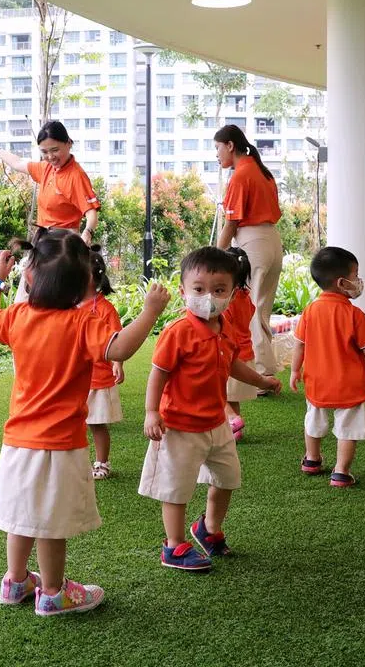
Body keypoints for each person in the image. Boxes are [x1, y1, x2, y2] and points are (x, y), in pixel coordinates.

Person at [0, 230, 169, 615]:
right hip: (60, 444)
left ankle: (15, 582)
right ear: (86, 282)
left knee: (21, 515)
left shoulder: (17, 317)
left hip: (17, 440)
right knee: (51, 522)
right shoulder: (83, 324)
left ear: (29, 278)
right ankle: (52, 593)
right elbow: (121, 347)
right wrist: (150, 311)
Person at [139, 247, 282, 572]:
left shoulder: (226, 329)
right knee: (175, 489)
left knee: (228, 478)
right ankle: (173, 546)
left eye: (219, 290)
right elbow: (158, 373)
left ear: (232, 293)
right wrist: (151, 412)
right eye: (199, 289)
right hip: (178, 426)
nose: (209, 297)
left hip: (216, 423)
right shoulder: (178, 332)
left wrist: (261, 379)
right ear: (183, 290)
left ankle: (208, 528)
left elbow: (233, 365)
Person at [289, 246, 365, 487]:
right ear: (342, 283)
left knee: (313, 419)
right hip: (348, 385)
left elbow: (299, 345)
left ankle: (312, 459)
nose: (359, 281)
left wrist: (294, 370)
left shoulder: (310, 311)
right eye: (356, 276)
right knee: (348, 428)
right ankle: (341, 472)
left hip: (317, 382)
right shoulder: (355, 315)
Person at [214, 124, 283, 381]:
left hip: (252, 242)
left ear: (230, 145)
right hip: (272, 242)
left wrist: (213, 258)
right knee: (260, 310)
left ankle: (260, 375)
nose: (217, 154)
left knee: (249, 311)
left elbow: (231, 224)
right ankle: (264, 371)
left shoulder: (241, 175)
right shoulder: (262, 172)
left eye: (218, 148)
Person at [0, 120, 100, 246]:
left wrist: (87, 232)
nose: (50, 157)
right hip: (43, 243)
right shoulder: (46, 168)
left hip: (64, 247)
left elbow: (91, 213)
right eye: (44, 152)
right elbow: (17, 163)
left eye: (55, 150)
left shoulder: (76, 176)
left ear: (68, 143)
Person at [83, 246, 125, 480]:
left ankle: (102, 462)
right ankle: (77, 461)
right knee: (76, 423)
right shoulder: (71, 305)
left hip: (99, 379)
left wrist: (118, 363)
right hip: (76, 378)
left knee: (97, 425)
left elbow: (117, 339)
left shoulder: (105, 309)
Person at [222, 246, 256, 441]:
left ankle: (233, 419)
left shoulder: (229, 301)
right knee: (231, 397)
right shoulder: (245, 298)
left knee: (217, 395)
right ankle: (235, 429)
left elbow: (222, 325)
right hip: (246, 354)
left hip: (231, 357)